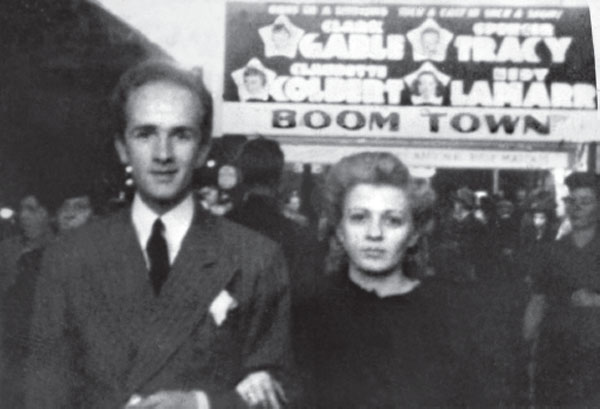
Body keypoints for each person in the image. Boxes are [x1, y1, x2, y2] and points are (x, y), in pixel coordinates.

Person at [25, 60, 292, 409]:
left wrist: (202, 404)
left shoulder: (256, 257)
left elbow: (282, 393)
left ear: (203, 150)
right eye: (145, 134)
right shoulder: (69, 257)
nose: (163, 154)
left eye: (181, 135)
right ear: (122, 147)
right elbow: (44, 395)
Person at [313, 152, 460, 409]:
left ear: (414, 234)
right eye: (359, 217)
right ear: (339, 230)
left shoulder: (448, 318)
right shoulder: (307, 314)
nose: (374, 234)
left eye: (393, 220)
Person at [227, 137, 320, 406]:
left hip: (228, 363)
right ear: (279, 178)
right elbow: (307, 303)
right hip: (281, 365)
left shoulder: (219, 229)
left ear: (241, 175)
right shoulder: (298, 235)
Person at [523, 172, 600, 408]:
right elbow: (538, 300)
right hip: (555, 352)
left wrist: (597, 300)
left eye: (585, 202)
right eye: (571, 201)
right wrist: (527, 348)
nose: (576, 208)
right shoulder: (552, 251)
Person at [0, 191, 56, 409]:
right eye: (22, 209)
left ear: (49, 214)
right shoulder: (7, 249)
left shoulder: (61, 252)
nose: (23, 216)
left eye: (32, 209)